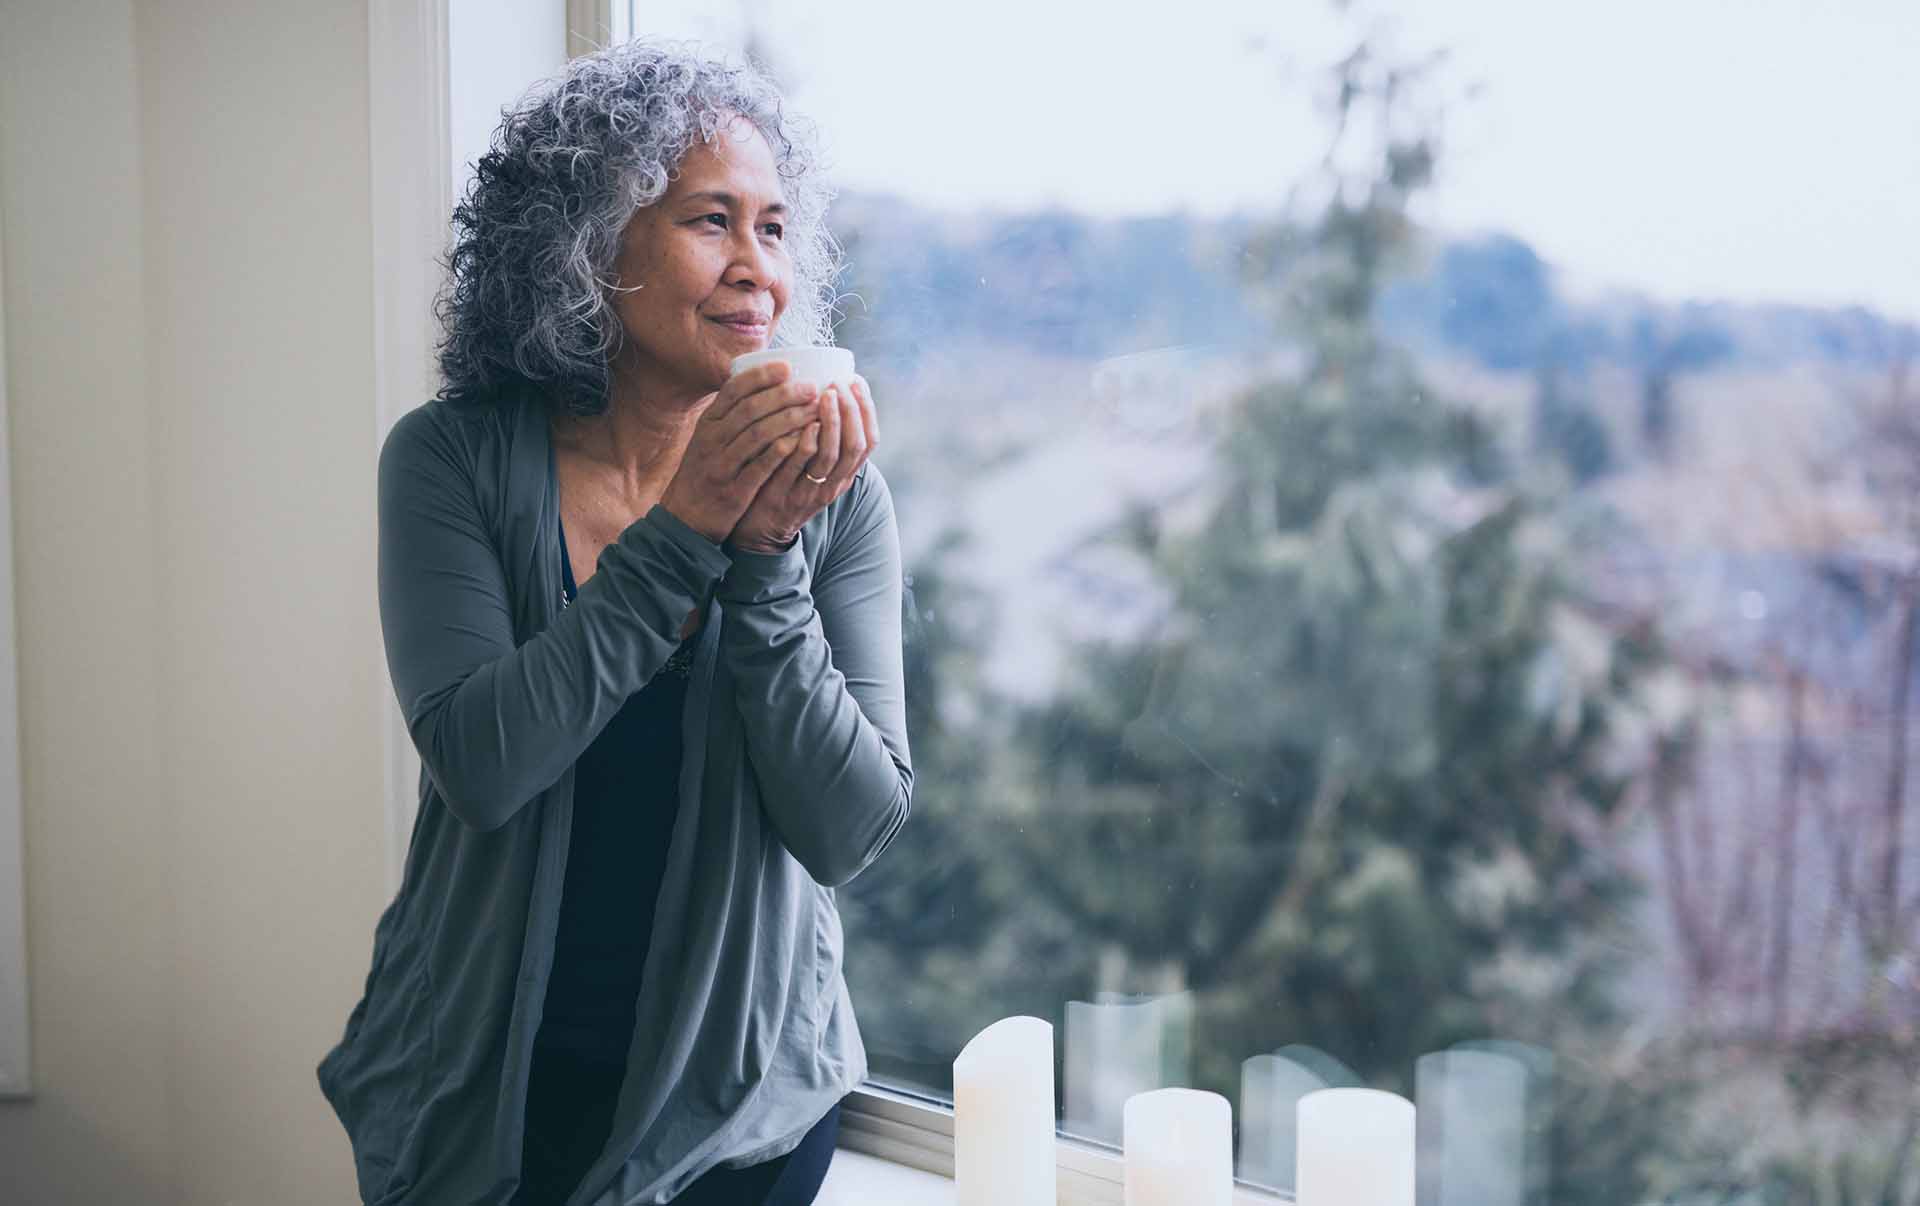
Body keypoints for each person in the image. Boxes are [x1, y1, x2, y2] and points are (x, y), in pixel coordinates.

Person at [317, 38, 913, 1206]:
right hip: (477, 1104)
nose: (760, 269)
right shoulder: (451, 460)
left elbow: (854, 826)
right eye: (711, 221)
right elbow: (484, 766)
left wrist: (765, 559)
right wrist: (683, 536)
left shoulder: (836, 497)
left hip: (739, 1116)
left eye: (776, 228)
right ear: (589, 251)